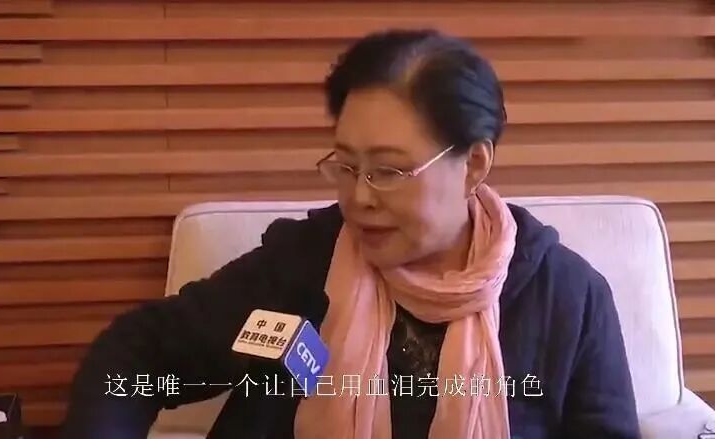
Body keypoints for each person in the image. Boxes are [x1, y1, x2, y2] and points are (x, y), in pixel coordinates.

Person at [62, 29, 640, 439]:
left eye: (388, 171)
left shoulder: (567, 299)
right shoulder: (298, 267)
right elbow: (133, 360)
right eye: (346, 165)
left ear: (473, 165)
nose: (359, 197)